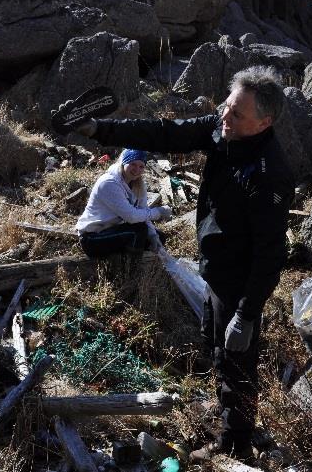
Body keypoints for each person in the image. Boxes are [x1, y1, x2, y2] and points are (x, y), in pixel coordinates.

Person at [71, 66, 294, 460]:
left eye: (237, 114)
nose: (225, 116)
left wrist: (247, 312)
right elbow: (163, 132)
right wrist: (100, 129)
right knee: (213, 345)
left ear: (265, 122)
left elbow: (271, 253)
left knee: (237, 364)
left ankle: (234, 445)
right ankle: (225, 412)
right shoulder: (222, 129)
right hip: (215, 266)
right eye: (226, 106)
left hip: (240, 280)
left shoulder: (269, 173)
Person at [76, 149, 172, 257]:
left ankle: (141, 264)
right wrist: (158, 212)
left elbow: (143, 212)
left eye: (141, 166)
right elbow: (131, 216)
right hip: (92, 238)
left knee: (159, 236)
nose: (137, 169)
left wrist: (153, 235)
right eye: (133, 164)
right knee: (138, 231)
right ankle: (132, 270)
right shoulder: (109, 183)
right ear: (124, 163)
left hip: (111, 230)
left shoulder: (138, 184)